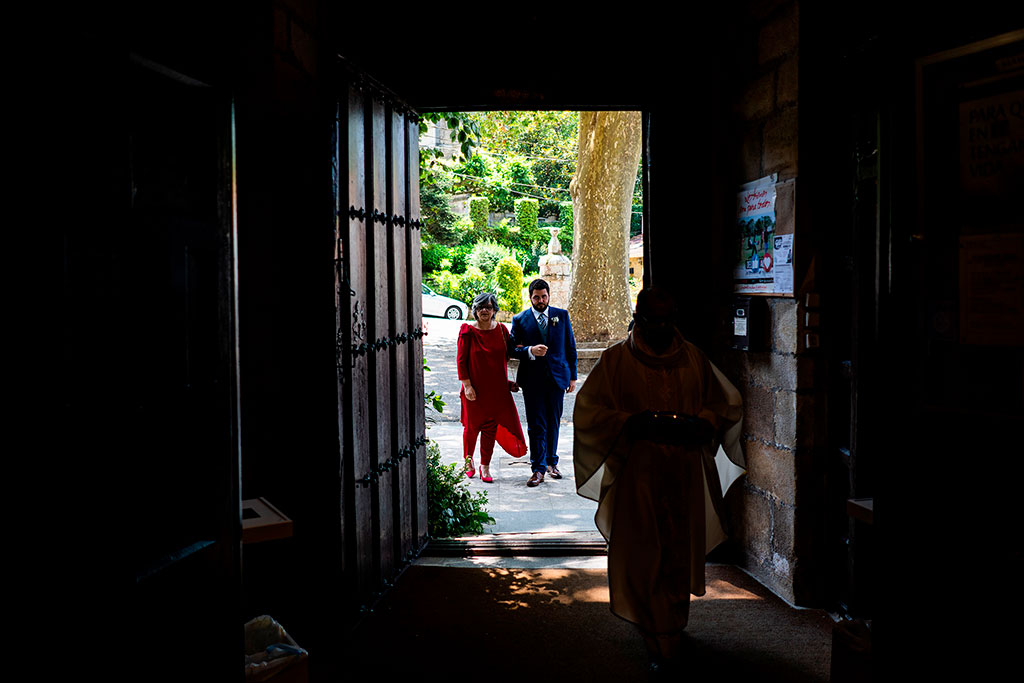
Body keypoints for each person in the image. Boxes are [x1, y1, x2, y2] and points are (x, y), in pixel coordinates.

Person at [572, 287, 745, 672]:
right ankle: (651, 626)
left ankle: (670, 627)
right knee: (642, 551)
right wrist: (630, 423)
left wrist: (704, 423)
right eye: (653, 321)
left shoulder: (693, 359)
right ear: (639, 316)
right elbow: (587, 411)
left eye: (668, 321)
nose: (661, 328)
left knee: (676, 551)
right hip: (639, 476)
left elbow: (725, 403)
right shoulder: (617, 361)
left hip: (682, 473)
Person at [510, 279, 578, 487]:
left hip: (558, 378)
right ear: (530, 297)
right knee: (536, 424)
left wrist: (573, 377)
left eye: (544, 296)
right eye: (536, 297)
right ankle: (537, 469)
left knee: (553, 422)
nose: (541, 300)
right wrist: (530, 350)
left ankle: (551, 463)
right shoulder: (520, 319)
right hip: (532, 381)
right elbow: (512, 349)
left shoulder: (562, 315)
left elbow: (570, 348)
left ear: (549, 296)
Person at [457, 292, 527, 482]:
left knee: (490, 429)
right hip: (474, 392)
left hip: (497, 392)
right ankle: (468, 462)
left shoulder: (502, 330)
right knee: (471, 429)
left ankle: (485, 467)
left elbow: (506, 358)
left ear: (495, 309)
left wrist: (509, 383)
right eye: (480, 307)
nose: (484, 310)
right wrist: (467, 386)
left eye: (488, 307)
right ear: (475, 311)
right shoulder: (467, 331)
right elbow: (461, 361)